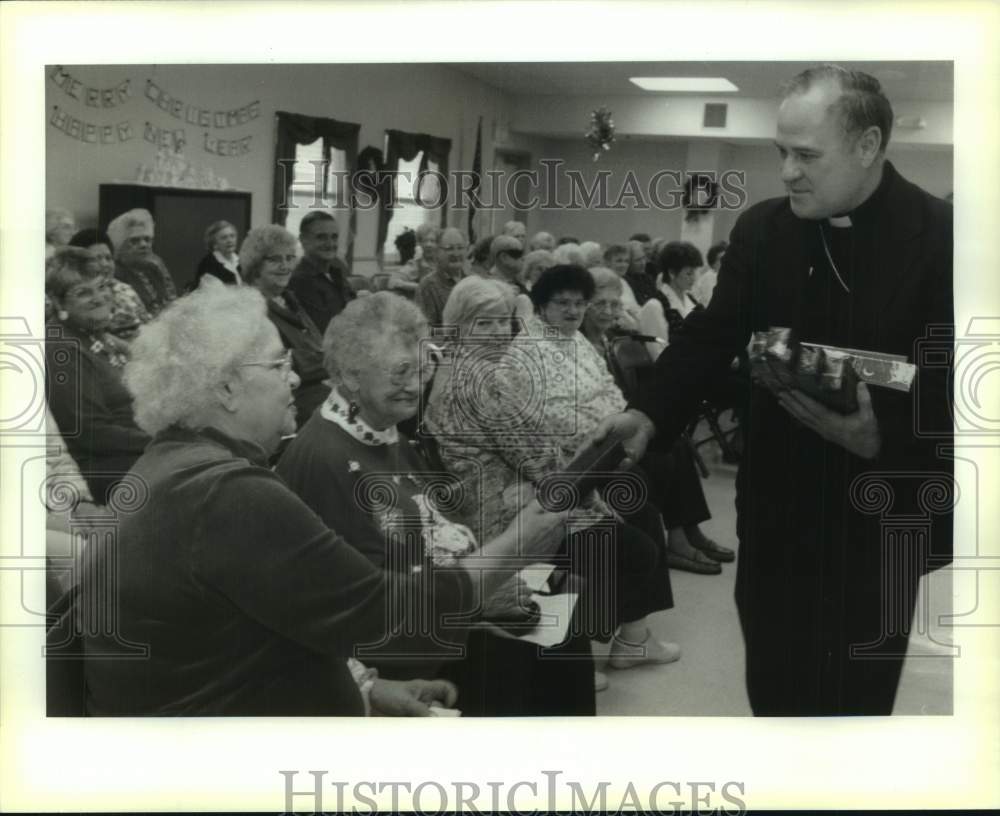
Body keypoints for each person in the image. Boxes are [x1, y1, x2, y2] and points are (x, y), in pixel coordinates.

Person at [592, 65, 953, 716]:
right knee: (775, 698)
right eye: (781, 152)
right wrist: (648, 411)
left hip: (877, 527)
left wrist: (884, 435)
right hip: (776, 516)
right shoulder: (764, 231)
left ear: (868, 146)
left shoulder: (943, 241)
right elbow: (711, 333)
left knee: (851, 713)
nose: (787, 171)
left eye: (806, 155)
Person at [67, 285, 490, 716]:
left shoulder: (170, 465)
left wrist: (369, 691)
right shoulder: (224, 492)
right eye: (278, 363)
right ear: (228, 388)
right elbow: (384, 618)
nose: (293, 376)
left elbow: (247, 640)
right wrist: (531, 532)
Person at [276, 291, 590, 715]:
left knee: (569, 613)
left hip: (444, 603)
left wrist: (490, 575)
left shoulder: (386, 433)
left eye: (423, 368)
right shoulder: (325, 459)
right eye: (401, 371)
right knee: (542, 653)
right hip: (404, 651)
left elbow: (440, 523)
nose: (416, 384)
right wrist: (477, 598)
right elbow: (367, 599)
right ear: (351, 376)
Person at [427, 266, 680, 677]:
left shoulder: (465, 367)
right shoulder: (480, 381)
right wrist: (590, 493)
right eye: (482, 323)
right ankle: (569, 653)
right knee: (633, 544)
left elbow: (537, 453)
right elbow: (537, 460)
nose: (495, 333)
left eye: (501, 322)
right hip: (502, 510)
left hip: (509, 491)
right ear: (458, 325)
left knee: (634, 511)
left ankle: (601, 641)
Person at [584, 267, 732, 574]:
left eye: (615, 304)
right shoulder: (581, 345)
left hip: (623, 416)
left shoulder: (613, 339)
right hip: (603, 429)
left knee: (675, 439)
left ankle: (688, 531)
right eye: (600, 304)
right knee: (665, 452)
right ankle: (678, 539)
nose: (609, 312)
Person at [44, 247, 150, 504]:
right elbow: (91, 433)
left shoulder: (96, 335)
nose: (99, 298)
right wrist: (160, 441)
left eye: (102, 287)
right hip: (101, 466)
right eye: (83, 292)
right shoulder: (62, 348)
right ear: (59, 303)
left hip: (133, 449)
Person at [241, 225, 330, 427]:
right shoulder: (250, 306)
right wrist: (332, 362)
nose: (285, 266)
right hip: (290, 398)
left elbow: (317, 344)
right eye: (275, 259)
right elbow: (284, 363)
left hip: (319, 383)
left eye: (290, 258)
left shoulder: (288, 299)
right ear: (255, 265)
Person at [68, 228, 150, 339]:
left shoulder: (125, 289)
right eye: (96, 258)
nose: (105, 264)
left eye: (108, 258)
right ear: (78, 264)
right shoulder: (74, 297)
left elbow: (147, 323)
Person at [286, 211, 354, 333]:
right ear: (303, 240)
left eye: (334, 237)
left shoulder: (336, 272)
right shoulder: (300, 281)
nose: (330, 244)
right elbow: (326, 330)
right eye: (321, 237)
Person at [106, 208, 177, 317]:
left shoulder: (155, 264)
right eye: (134, 241)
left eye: (147, 239)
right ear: (119, 245)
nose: (144, 245)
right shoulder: (114, 272)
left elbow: (170, 301)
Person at [415, 226, 467, 325]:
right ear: (437, 252)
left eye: (460, 248)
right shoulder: (428, 287)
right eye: (449, 249)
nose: (456, 253)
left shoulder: (472, 281)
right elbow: (426, 331)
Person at [484, 235, 533, 324]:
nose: (523, 258)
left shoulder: (520, 285)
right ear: (504, 257)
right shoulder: (484, 286)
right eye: (518, 254)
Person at [388, 223, 440, 297]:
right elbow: (392, 282)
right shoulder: (415, 264)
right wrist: (420, 287)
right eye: (425, 241)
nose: (429, 245)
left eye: (432, 241)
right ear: (420, 243)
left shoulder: (443, 264)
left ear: (438, 244)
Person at [194, 220, 242, 286]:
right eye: (224, 238)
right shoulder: (208, 263)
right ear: (215, 244)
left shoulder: (240, 258)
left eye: (232, 236)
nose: (230, 240)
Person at [691, 241, 727, 307]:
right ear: (713, 262)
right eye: (722, 259)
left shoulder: (723, 277)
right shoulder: (709, 278)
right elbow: (710, 303)